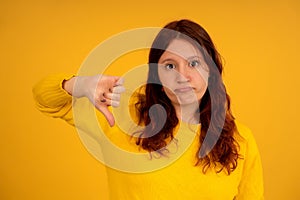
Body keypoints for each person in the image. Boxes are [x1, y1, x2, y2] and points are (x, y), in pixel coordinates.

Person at [33, 19, 264, 199]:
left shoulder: (240, 139)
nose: (183, 76)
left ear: (210, 71)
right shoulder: (122, 115)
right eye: (170, 65)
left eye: (193, 63)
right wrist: (79, 84)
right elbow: (44, 97)